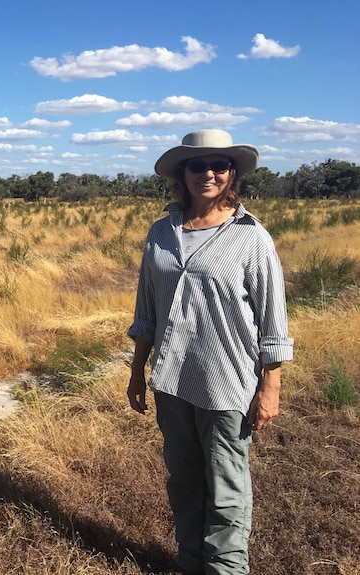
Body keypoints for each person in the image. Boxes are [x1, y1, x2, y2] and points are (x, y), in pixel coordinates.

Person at [126, 129, 294, 575]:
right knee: (183, 480)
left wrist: (270, 386)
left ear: (232, 173)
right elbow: (147, 309)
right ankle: (189, 560)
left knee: (226, 483)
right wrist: (137, 371)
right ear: (182, 172)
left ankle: (225, 568)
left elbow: (273, 319)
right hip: (172, 380)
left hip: (227, 380)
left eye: (219, 164)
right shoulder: (161, 232)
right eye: (197, 165)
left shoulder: (250, 235)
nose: (209, 173)